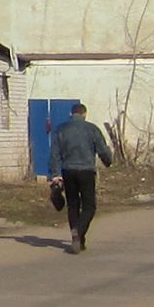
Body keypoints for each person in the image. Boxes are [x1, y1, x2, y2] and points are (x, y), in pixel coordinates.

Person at [47, 102, 114, 252]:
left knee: (73, 205)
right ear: (84, 114)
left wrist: (55, 175)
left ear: (72, 114)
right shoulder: (92, 129)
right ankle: (79, 230)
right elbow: (103, 150)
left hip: (68, 171)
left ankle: (78, 240)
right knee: (89, 206)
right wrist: (108, 161)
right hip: (86, 171)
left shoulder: (61, 129)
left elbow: (55, 154)